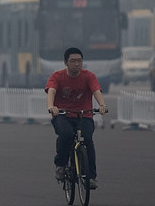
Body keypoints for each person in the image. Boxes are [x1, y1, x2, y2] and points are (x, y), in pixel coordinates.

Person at [46, 47, 108, 189]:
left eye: (79, 61)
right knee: (66, 134)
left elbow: (96, 91)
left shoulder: (88, 76)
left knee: (87, 139)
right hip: (62, 114)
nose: (76, 64)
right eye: (73, 61)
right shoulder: (57, 76)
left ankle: (90, 177)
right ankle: (61, 165)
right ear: (65, 62)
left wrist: (102, 104)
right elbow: (52, 91)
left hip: (84, 114)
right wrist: (51, 107)